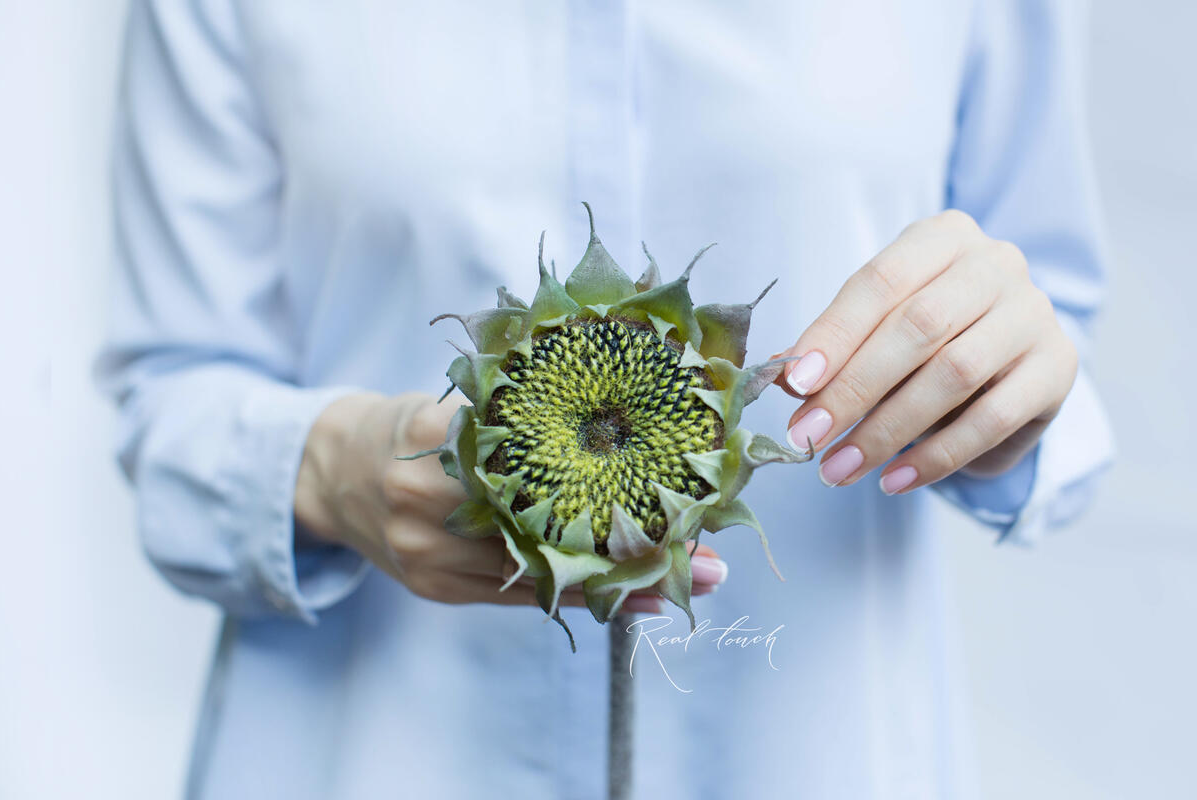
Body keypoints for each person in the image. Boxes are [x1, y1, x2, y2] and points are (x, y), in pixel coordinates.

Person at [98, 1, 1114, 797]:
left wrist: (1003, 384)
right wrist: (328, 463)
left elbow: (1052, 324)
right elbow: (170, 389)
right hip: (370, 750)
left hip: (810, 744)